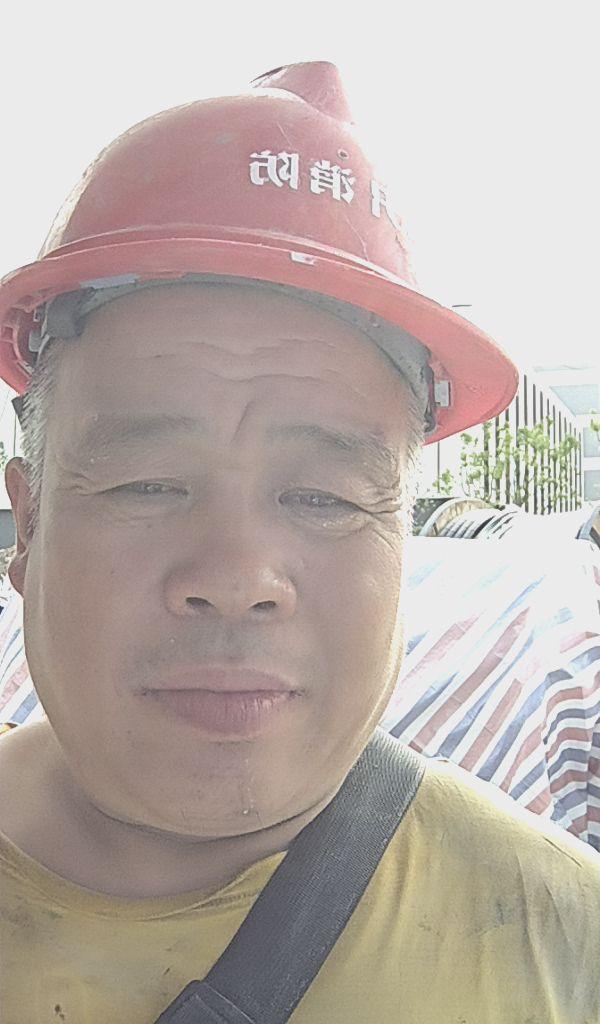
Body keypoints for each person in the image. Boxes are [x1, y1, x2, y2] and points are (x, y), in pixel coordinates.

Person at [0, 61, 597, 1023]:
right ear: (28, 527)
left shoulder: (566, 944)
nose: (238, 577)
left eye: (325, 498)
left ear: (403, 538)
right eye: (147, 484)